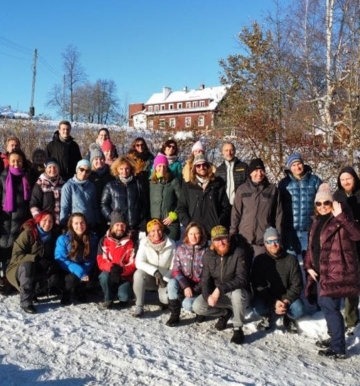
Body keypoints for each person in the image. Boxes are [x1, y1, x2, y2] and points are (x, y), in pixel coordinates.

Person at [304, 183, 360, 359]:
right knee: (327, 306)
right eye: (319, 204)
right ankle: (335, 338)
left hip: (336, 271)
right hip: (321, 272)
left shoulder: (341, 218)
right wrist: (308, 266)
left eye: (326, 203)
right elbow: (312, 247)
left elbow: (357, 235)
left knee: (330, 307)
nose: (322, 207)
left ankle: (338, 347)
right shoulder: (316, 221)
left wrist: (342, 216)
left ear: (333, 203)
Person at [192, 225, 249, 345]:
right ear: (212, 241)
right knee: (198, 306)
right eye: (217, 240)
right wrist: (208, 296)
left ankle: (238, 328)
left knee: (238, 294)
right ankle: (225, 313)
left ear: (228, 238)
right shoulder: (208, 256)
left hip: (237, 294)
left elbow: (242, 279)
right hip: (220, 296)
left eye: (224, 238)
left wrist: (219, 289)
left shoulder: (238, 252)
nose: (221, 242)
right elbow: (205, 280)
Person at [251, 227, 304, 333]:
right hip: (268, 297)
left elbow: (297, 284)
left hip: (287, 297)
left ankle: (288, 318)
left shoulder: (291, 259)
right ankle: (267, 315)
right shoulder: (259, 260)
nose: (273, 244)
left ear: (280, 241)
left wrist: (285, 300)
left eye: (276, 241)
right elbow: (258, 286)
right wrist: (273, 302)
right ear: (265, 243)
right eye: (269, 241)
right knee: (257, 308)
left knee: (299, 310)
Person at [6, 211, 61, 314]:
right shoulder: (28, 233)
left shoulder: (53, 237)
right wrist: (34, 258)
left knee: (54, 276)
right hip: (18, 269)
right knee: (28, 265)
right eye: (44, 220)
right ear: (38, 221)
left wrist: (51, 264)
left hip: (38, 269)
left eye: (50, 221)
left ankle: (33, 292)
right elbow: (16, 256)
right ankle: (25, 301)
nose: (47, 223)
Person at [230, 158, 283, 259]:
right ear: (250, 173)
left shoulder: (272, 190)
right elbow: (235, 214)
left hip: (263, 240)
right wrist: (233, 234)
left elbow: (278, 215)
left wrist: (278, 236)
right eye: (255, 170)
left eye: (261, 170)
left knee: (261, 270)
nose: (259, 173)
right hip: (244, 239)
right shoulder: (242, 189)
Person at [278, 153, 322, 257]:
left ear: (303, 164)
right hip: (290, 230)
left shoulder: (314, 180)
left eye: (299, 164)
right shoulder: (284, 183)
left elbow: (323, 202)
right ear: (289, 167)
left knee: (310, 261)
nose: (297, 167)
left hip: (309, 229)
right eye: (293, 165)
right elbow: (279, 206)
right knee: (291, 261)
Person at [177, 154, 231, 238]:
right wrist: (189, 225)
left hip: (214, 233)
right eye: (198, 165)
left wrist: (219, 222)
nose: (201, 167)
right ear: (194, 168)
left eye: (204, 164)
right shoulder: (188, 187)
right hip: (195, 234)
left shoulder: (218, 185)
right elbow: (181, 208)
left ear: (208, 166)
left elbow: (226, 207)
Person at [333, 166, 360, 335]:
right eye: (342, 180)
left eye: (348, 178)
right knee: (348, 280)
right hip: (344, 244)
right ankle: (347, 317)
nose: (345, 182)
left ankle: (351, 317)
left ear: (355, 178)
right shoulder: (337, 196)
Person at [166, 222, 208, 327]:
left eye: (197, 234)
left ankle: (200, 311)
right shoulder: (181, 249)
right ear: (186, 235)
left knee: (187, 305)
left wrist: (194, 290)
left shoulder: (207, 251)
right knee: (172, 282)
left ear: (201, 234)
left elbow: (208, 276)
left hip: (200, 287)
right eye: (191, 234)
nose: (193, 237)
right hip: (185, 284)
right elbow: (176, 270)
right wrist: (186, 286)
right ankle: (174, 315)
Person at [133, 219, 176, 317]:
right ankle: (139, 306)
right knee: (138, 274)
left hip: (164, 279)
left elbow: (174, 265)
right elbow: (139, 262)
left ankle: (162, 300)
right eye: (153, 230)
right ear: (149, 232)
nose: (156, 233)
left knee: (165, 300)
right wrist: (154, 271)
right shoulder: (144, 243)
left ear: (162, 229)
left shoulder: (171, 243)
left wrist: (165, 279)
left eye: (159, 229)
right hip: (150, 277)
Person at [0, 149, 31, 285]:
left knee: (17, 250)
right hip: (5, 219)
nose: (16, 163)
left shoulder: (27, 177)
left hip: (22, 220)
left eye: (19, 160)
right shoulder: (2, 177)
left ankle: (14, 279)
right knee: (5, 249)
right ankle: (6, 280)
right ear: (9, 162)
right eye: (13, 161)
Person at [55, 213, 98, 305]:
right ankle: (66, 292)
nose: (80, 226)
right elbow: (61, 259)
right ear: (71, 225)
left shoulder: (92, 238)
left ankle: (80, 289)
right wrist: (80, 271)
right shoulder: (63, 239)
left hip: (86, 268)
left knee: (92, 277)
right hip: (68, 269)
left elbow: (92, 258)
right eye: (76, 223)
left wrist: (84, 271)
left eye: (82, 223)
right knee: (72, 278)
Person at [97, 209, 136, 309]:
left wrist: (122, 270)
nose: (120, 228)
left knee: (124, 298)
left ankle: (122, 293)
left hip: (124, 275)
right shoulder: (104, 240)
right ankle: (108, 298)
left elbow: (134, 263)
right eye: (117, 225)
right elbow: (101, 260)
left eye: (122, 225)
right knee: (103, 277)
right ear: (112, 226)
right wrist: (112, 268)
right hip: (110, 272)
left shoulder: (131, 241)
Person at [101, 156, 147, 241]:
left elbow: (144, 203)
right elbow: (104, 204)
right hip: (119, 228)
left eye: (127, 168)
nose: (124, 171)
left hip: (135, 227)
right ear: (117, 169)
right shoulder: (110, 186)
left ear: (131, 169)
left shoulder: (138, 184)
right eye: (121, 169)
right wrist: (112, 217)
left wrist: (141, 217)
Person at [149, 153, 181, 241]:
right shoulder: (151, 183)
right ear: (155, 167)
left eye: (164, 166)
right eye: (159, 166)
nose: (162, 169)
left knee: (170, 247)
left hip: (170, 222)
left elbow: (182, 201)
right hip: (154, 222)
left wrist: (174, 214)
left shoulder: (174, 181)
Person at [60, 159, 99, 230]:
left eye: (87, 171)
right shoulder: (68, 186)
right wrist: (63, 223)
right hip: (77, 225)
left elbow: (95, 206)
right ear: (77, 170)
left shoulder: (91, 186)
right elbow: (64, 206)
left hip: (90, 223)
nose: (84, 173)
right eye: (82, 169)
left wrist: (97, 221)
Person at [30, 158, 65, 226]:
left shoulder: (63, 183)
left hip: (62, 222)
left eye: (55, 167)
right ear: (45, 169)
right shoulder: (40, 183)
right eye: (50, 167)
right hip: (46, 223)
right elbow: (34, 204)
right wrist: (39, 219)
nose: (52, 169)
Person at [88, 147, 114, 236]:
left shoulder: (111, 174)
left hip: (108, 210)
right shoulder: (88, 176)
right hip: (94, 211)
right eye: (96, 159)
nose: (99, 161)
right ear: (92, 161)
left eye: (101, 158)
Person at [215, 142, 248, 206]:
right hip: (224, 207)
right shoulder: (219, 170)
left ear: (235, 151)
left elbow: (249, 186)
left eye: (231, 150)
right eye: (226, 150)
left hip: (240, 205)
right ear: (222, 152)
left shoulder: (244, 167)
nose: (229, 153)